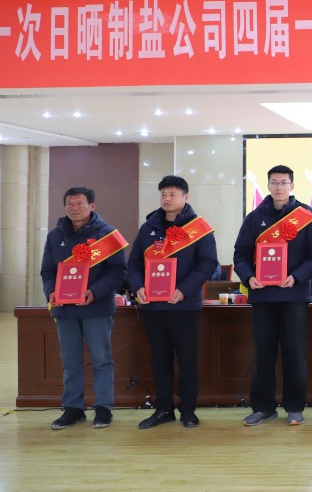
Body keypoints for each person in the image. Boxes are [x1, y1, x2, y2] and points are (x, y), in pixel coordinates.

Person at [233, 165, 312, 427]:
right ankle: (263, 408)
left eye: (284, 182)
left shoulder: (305, 216)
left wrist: (296, 276)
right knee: (263, 353)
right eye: (274, 182)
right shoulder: (255, 218)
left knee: (294, 353)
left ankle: (295, 407)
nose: (279, 187)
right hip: (263, 296)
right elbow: (240, 254)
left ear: (292, 186)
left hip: (293, 295)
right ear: (268, 185)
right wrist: (248, 277)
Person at [126, 175, 218, 429]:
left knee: (187, 360)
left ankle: (188, 409)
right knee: (159, 359)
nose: (166, 199)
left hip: (184, 306)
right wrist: (138, 287)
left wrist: (184, 290)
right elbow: (133, 264)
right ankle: (163, 409)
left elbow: (208, 264)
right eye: (163, 194)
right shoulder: (148, 228)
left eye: (172, 194)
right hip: (153, 306)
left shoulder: (199, 228)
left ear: (185, 197)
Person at [40, 187, 128, 430]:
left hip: (96, 307)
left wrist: (94, 291)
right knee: (70, 360)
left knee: (101, 359)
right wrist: (51, 292)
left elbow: (119, 270)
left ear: (92, 205)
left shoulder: (108, 234)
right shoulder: (55, 235)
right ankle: (73, 408)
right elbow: (47, 270)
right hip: (65, 308)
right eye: (69, 203)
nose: (74, 208)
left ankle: (103, 408)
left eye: (79, 203)